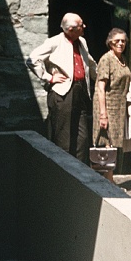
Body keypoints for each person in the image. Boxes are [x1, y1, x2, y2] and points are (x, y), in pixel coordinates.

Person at [27, 13, 97, 163]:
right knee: (63, 138)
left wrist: (101, 78)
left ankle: (79, 172)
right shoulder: (55, 42)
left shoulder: (82, 42)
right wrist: (49, 77)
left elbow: (90, 63)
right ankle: (62, 173)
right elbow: (32, 59)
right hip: (63, 93)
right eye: (81, 25)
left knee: (82, 138)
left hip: (80, 91)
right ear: (71, 29)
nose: (84, 26)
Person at [92, 28, 131, 182]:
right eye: (117, 41)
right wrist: (103, 114)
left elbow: (120, 78)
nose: (120, 43)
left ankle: (109, 179)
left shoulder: (123, 59)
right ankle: (108, 180)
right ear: (110, 42)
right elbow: (100, 87)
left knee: (113, 143)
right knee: (107, 142)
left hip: (119, 107)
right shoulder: (106, 59)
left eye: (123, 41)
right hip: (107, 105)